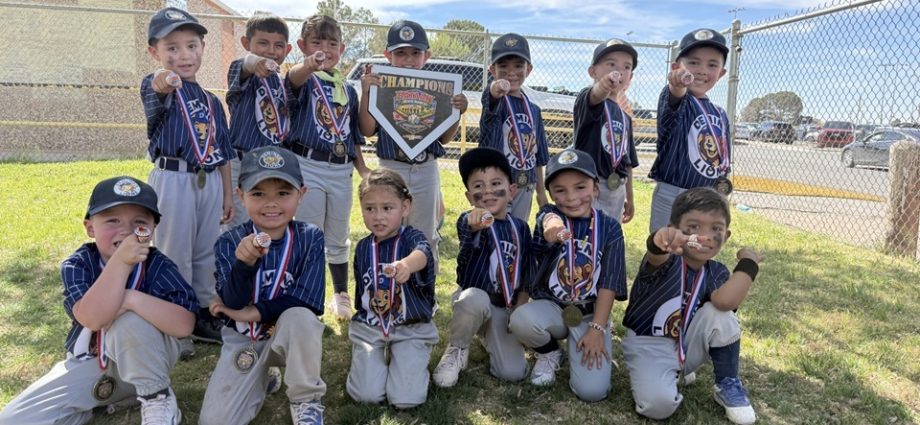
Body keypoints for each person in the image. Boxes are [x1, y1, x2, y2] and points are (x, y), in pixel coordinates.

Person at [0, 176, 198, 425]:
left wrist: (131, 299)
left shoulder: (158, 265)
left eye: (139, 222)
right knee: (12, 420)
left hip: (149, 365)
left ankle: (156, 397)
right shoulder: (79, 264)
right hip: (91, 363)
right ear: (90, 227)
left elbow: (184, 325)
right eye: (112, 220)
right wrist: (121, 262)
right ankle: (104, 402)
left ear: (152, 229)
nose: (126, 230)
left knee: (129, 323)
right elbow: (92, 319)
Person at [200, 146, 327, 425]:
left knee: (302, 318)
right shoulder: (229, 242)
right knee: (215, 421)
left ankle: (306, 400)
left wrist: (253, 312)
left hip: (288, 335)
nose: (271, 204)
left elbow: (309, 300)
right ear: (240, 195)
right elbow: (233, 302)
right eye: (258, 194)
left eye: (283, 193)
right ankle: (262, 375)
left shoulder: (311, 237)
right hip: (244, 337)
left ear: (301, 194)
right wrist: (244, 265)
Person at [621, 187, 764, 424]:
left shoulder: (716, 270)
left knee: (720, 313)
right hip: (649, 345)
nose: (705, 235)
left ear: (726, 236)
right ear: (674, 228)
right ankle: (670, 375)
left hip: (686, 344)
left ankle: (727, 383)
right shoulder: (667, 259)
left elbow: (725, 301)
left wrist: (749, 263)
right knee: (658, 407)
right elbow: (656, 252)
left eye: (716, 228)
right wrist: (662, 239)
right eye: (694, 226)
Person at [141, 6, 233, 343]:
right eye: (172, 48)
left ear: (203, 48)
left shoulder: (211, 101)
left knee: (207, 249)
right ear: (155, 52)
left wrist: (227, 194)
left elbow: (223, 151)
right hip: (174, 177)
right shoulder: (159, 87)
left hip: (208, 179)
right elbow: (157, 85)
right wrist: (164, 79)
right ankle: (175, 317)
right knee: (174, 250)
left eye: (191, 45)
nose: (184, 55)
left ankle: (204, 313)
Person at [508, 148, 627, 402]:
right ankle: (550, 352)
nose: (571, 197)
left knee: (592, 392)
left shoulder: (610, 228)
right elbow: (547, 217)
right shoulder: (550, 217)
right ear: (551, 194)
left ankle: (583, 345)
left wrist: (597, 328)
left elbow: (609, 283)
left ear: (596, 188)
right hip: (553, 307)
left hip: (589, 315)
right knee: (520, 319)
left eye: (580, 187)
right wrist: (551, 225)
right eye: (560, 190)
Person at [358, 19, 469, 273]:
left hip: (425, 166)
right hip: (391, 166)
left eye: (415, 53)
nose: (408, 59)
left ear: (426, 56)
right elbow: (367, 129)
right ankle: (385, 286)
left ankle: (424, 291)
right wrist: (366, 93)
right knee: (388, 228)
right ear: (387, 55)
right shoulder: (379, 82)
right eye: (400, 53)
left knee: (425, 233)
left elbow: (445, 139)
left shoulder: (440, 87)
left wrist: (457, 112)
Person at [284, 15, 365, 321]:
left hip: (341, 169)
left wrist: (363, 169)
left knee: (338, 233)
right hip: (309, 164)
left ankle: (341, 293)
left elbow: (353, 136)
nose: (325, 49)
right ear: (303, 46)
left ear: (342, 49)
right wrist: (308, 65)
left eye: (332, 44)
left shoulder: (348, 89)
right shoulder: (305, 79)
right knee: (310, 231)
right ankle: (308, 292)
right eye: (317, 42)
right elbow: (292, 80)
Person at [432, 147, 532, 388]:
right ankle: (457, 347)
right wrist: (474, 221)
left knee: (513, 372)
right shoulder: (468, 220)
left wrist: (519, 309)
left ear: (511, 191)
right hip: (474, 301)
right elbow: (468, 226)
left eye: (495, 183)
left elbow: (527, 272)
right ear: (469, 197)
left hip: (504, 306)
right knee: (473, 299)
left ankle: (487, 333)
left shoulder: (520, 228)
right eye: (478, 186)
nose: (487, 191)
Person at [346, 168, 438, 409]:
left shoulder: (412, 237)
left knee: (406, 399)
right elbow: (361, 292)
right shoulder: (363, 247)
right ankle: (372, 357)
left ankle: (409, 357)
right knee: (366, 396)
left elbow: (423, 253)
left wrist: (407, 264)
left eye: (387, 208)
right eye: (370, 209)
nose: (378, 217)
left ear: (405, 207)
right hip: (372, 326)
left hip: (410, 327)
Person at [648, 28, 733, 233]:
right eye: (694, 63)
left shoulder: (720, 114)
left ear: (721, 73)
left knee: (699, 247)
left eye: (712, 65)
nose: (702, 70)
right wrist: (677, 83)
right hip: (673, 195)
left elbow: (722, 158)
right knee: (666, 246)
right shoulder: (679, 101)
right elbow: (675, 92)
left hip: (708, 197)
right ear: (676, 67)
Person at [224, 12, 293, 229]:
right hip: (243, 162)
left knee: (270, 224)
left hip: (274, 164)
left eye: (278, 45)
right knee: (240, 225)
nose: (271, 51)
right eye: (263, 43)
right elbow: (246, 64)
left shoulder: (283, 82)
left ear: (288, 50)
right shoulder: (242, 71)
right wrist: (256, 62)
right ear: (246, 43)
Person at [479, 33, 549, 222]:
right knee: (493, 230)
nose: (511, 72)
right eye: (503, 66)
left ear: (529, 69)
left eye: (518, 66)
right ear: (492, 69)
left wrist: (541, 193)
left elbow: (538, 157)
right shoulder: (495, 103)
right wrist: (495, 89)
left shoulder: (534, 110)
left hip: (525, 184)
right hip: (496, 185)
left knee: (517, 229)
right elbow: (490, 96)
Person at [574, 38, 640, 224]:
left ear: (630, 77)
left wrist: (629, 196)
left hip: (617, 187)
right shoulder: (588, 100)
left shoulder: (625, 117)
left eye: (626, 67)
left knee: (611, 233)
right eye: (611, 64)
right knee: (588, 233)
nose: (619, 71)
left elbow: (627, 162)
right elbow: (595, 95)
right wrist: (603, 86)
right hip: (590, 184)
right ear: (592, 71)